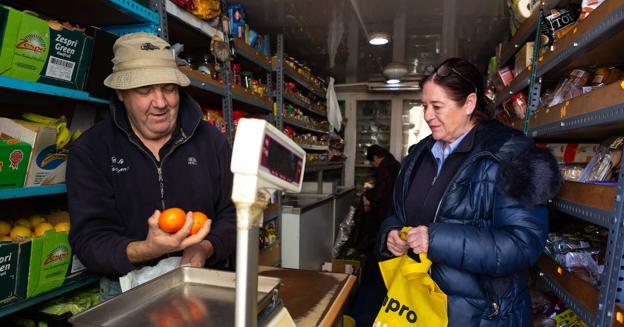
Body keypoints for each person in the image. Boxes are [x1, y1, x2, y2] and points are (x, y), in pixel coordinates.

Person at [376, 58, 562, 326]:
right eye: (424, 106)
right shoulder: (419, 153)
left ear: (470, 104)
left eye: (437, 106)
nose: (427, 115)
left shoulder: (511, 153)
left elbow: (523, 243)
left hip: (480, 316)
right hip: (418, 307)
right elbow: (398, 212)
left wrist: (437, 240)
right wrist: (390, 234)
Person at [66, 32, 236, 301]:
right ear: (121, 93)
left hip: (204, 279)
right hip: (126, 292)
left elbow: (234, 214)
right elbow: (88, 240)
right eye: (145, 90)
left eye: (168, 88)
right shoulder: (92, 150)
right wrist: (146, 249)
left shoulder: (211, 142)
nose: (160, 103)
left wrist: (205, 247)